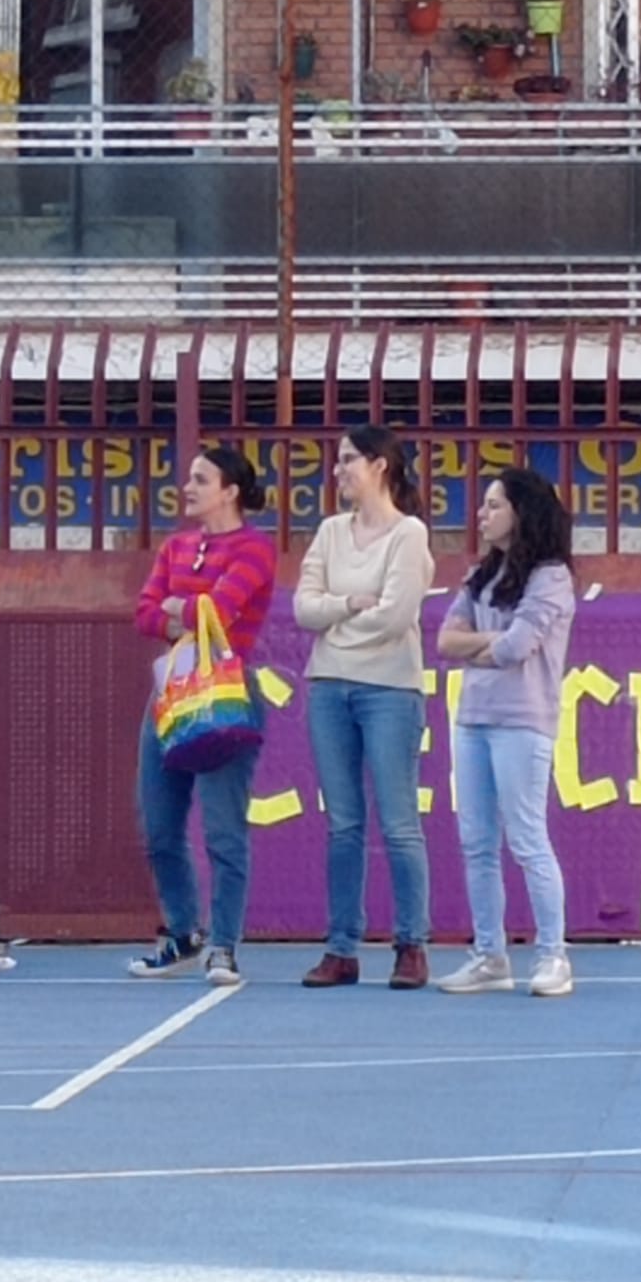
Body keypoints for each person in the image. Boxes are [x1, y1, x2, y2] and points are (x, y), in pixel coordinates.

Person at [294, 427, 435, 989]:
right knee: (343, 824)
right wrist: (349, 604)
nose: (339, 470)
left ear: (380, 466)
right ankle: (341, 947)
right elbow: (303, 608)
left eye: (350, 459)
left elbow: (397, 615)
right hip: (329, 686)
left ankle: (411, 943)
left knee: (399, 822)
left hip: (390, 689)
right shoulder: (330, 532)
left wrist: (337, 620)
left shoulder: (409, 533)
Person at [130, 444, 278, 984]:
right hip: (172, 692)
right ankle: (183, 931)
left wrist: (182, 608)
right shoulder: (176, 546)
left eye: (200, 479)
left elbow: (220, 608)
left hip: (225, 692)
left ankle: (224, 944)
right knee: (158, 826)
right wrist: (182, 614)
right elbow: (144, 613)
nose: (187, 487)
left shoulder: (255, 548)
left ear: (230, 491)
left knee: (222, 829)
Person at [436, 467, 576, 997]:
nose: (482, 514)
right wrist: (487, 644)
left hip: (523, 719)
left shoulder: (550, 576)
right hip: (473, 716)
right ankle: (489, 954)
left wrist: (477, 644)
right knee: (476, 841)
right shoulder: (482, 574)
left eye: (494, 505)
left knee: (526, 836)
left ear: (522, 513)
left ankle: (553, 954)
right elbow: (445, 640)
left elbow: (519, 647)